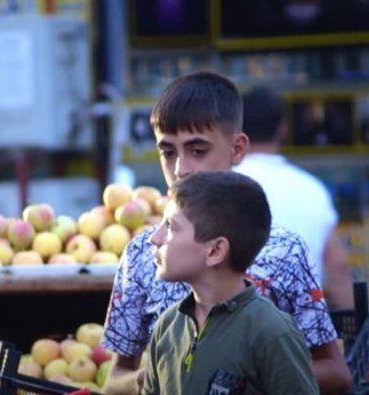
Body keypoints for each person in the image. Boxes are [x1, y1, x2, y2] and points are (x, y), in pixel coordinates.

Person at [101, 71, 351, 395]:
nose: (181, 169)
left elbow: (335, 372)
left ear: (237, 149)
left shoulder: (282, 251)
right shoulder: (143, 254)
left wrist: (237, 375)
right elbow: (114, 380)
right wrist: (165, 373)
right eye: (168, 152)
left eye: (198, 150)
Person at [141, 171, 319, 395]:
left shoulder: (272, 332)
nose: (153, 238)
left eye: (170, 227)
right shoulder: (167, 326)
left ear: (215, 251)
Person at [235, 85, 354, 309]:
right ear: (283, 129)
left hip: (236, 328)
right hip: (305, 330)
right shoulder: (312, 189)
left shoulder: (222, 185)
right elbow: (336, 269)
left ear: (237, 131)